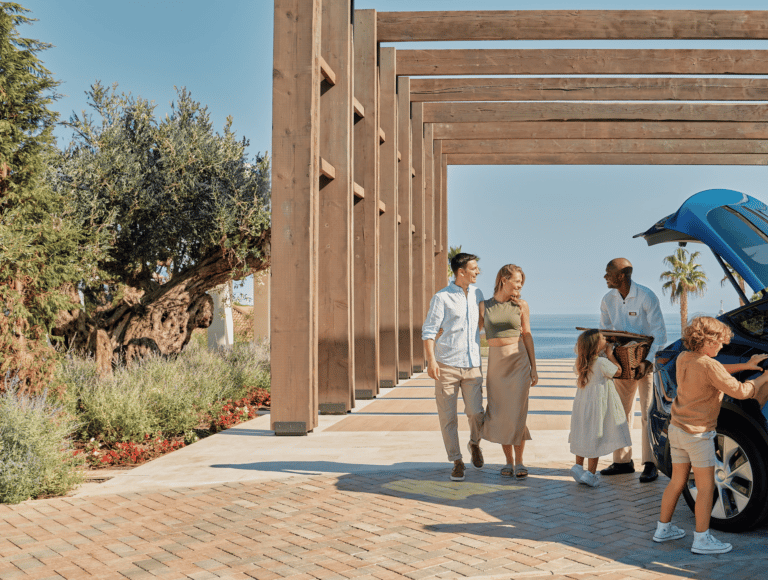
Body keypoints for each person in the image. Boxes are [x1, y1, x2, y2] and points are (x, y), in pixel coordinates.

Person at [653, 316, 768, 554]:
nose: (723, 346)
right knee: (706, 488)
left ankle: (662, 529)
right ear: (707, 342)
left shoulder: (686, 357)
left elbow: (716, 370)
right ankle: (701, 540)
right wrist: (764, 377)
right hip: (699, 436)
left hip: (678, 431)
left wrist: (746, 365)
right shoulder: (709, 366)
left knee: (677, 481)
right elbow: (742, 391)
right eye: (720, 342)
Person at [599, 257, 666, 482]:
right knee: (620, 412)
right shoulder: (607, 299)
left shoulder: (647, 296)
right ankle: (622, 461)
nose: (605, 277)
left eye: (609, 273)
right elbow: (606, 333)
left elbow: (660, 334)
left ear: (622, 276)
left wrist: (647, 362)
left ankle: (650, 463)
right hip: (621, 364)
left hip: (646, 364)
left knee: (648, 413)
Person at [422, 252, 485, 482]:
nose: (477, 272)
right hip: (446, 365)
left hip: (472, 365)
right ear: (461, 272)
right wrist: (431, 361)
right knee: (448, 417)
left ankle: (474, 443)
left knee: (476, 413)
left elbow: (481, 323)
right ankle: (457, 461)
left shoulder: (478, 294)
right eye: (474, 268)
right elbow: (429, 331)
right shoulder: (442, 298)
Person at [480, 264, 538, 478]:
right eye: (516, 281)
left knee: (517, 414)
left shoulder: (522, 305)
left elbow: (528, 335)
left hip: (519, 361)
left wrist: (534, 367)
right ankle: (508, 461)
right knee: (501, 414)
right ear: (504, 279)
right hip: (496, 365)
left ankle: (520, 461)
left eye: (521, 282)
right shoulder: (484, 306)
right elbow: (471, 332)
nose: (520, 285)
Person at [569, 329, 632, 487]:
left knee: (583, 433)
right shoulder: (602, 363)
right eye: (603, 338)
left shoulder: (581, 362)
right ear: (597, 345)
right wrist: (610, 354)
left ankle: (578, 467)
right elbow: (618, 371)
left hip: (582, 405)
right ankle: (591, 474)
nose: (606, 339)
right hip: (598, 405)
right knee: (595, 437)